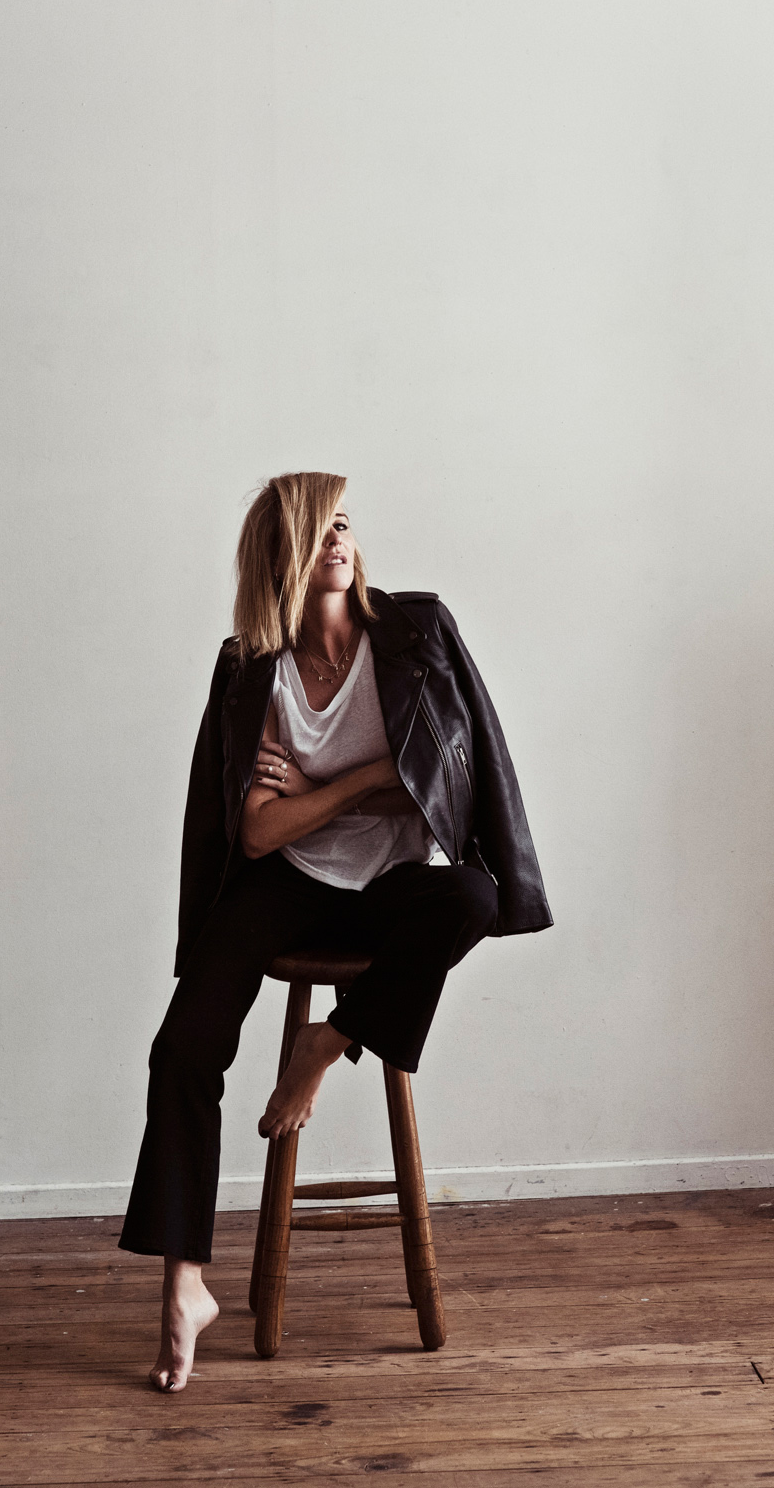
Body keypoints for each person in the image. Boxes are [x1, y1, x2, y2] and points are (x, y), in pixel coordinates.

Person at [118, 471, 552, 1391]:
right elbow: (257, 833)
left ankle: (331, 1039)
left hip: (392, 884)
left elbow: (452, 779)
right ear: (282, 552)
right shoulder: (254, 667)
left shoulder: (416, 634)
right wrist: (360, 783)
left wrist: (311, 791)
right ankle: (183, 1287)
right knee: (183, 1048)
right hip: (286, 884)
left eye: (344, 524)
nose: (338, 541)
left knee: (470, 897)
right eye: (319, 529)